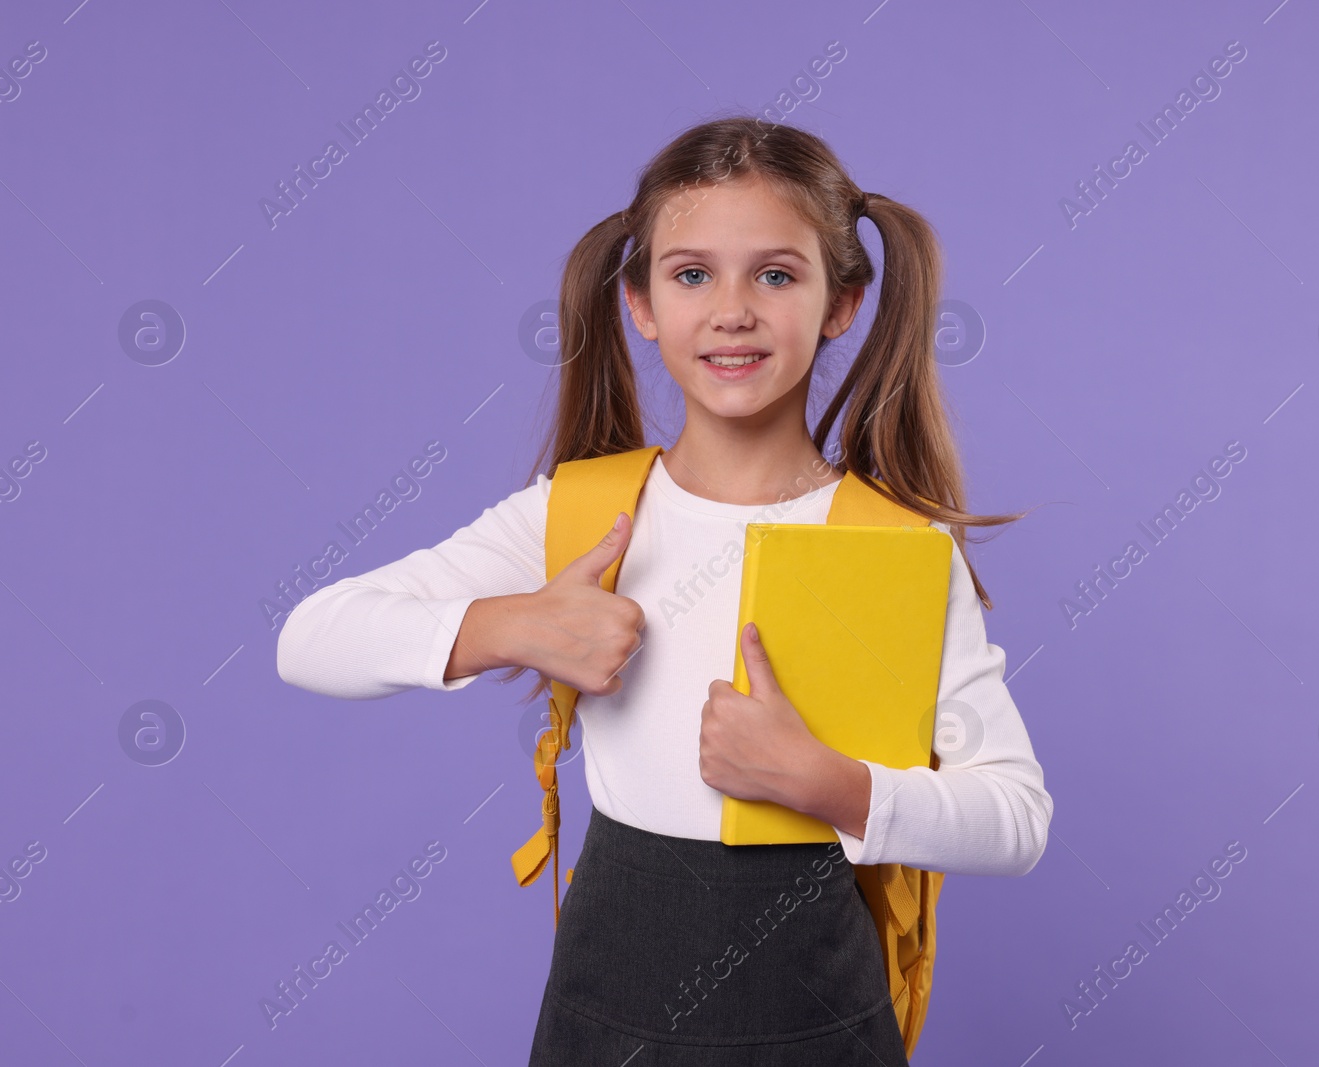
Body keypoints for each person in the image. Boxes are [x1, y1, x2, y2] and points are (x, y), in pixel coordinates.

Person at [277, 115, 1053, 1065]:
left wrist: (829, 784)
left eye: (776, 274)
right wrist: (515, 625)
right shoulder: (582, 514)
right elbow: (310, 639)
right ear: (640, 302)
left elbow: (1016, 817)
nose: (732, 310)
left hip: (819, 1022)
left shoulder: (895, 548)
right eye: (692, 275)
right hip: (609, 1008)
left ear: (843, 301)